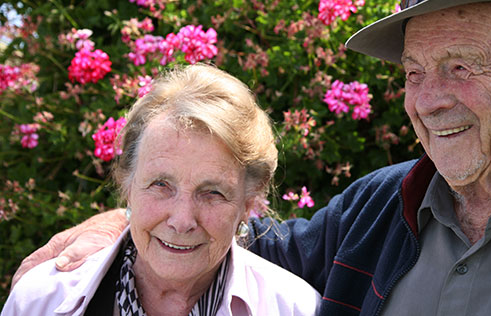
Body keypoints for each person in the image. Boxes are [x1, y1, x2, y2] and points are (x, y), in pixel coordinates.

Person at [11, 0, 491, 315]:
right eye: (414, 72)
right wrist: (128, 217)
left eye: (462, 67)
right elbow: (220, 231)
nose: (428, 100)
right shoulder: (378, 208)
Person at [2, 64, 321, 315]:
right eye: (160, 185)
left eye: (212, 193)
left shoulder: (295, 309)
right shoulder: (39, 302)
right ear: (127, 184)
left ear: (248, 204)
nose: (182, 221)